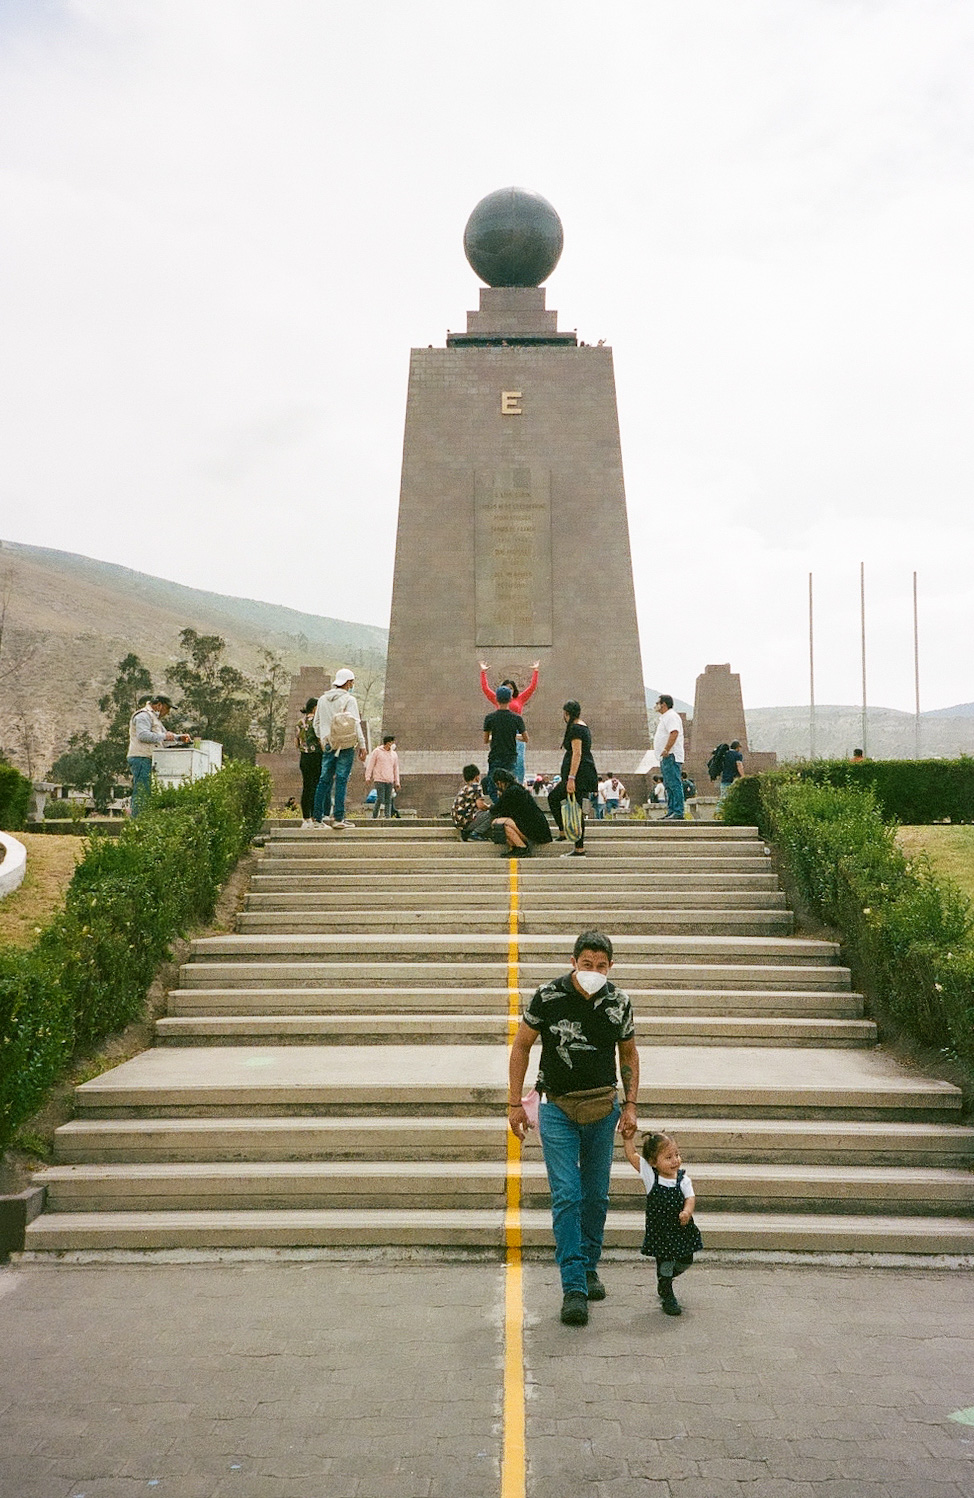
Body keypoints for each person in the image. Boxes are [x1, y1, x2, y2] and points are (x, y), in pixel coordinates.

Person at [508, 930, 639, 1327]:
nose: (594, 972)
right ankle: (573, 1287)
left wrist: (631, 1104)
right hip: (557, 1109)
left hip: (603, 1108)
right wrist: (515, 1103)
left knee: (596, 1196)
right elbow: (522, 1045)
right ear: (573, 962)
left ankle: (588, 1264)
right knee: (567, 1195)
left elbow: (628, 1052)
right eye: (587, 964)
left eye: (601, 966)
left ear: (610, 967)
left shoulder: (619, 1002)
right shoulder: (548, 997)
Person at [623, 1130, 703, 1317]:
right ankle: (667, 1292)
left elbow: (690, 1197)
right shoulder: (651, 1176)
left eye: (676, 1155)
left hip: (681, 1228)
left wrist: (687, 1212)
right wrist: (627, 1139)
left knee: (686, 1259)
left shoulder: (682, 1179)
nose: (675, 1160)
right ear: (653, 1162)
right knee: (666, 1260)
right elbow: (632, 1155)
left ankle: (664, 1277)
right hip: (661, 1231)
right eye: (668, 1157)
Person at [312, 669, 367, 829]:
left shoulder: (322, 699)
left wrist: (323, 738)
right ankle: (338, 818)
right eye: (352, 682)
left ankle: (317, 819)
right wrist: (362, 745)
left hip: (329, 743)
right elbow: (355, 723)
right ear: (348, 682)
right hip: (345, 743)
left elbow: (316, 723)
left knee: (324, 779)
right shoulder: (349, 700)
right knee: (342, 779)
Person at [548, 701, 599, 857]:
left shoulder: (576, 729)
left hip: (579, 775)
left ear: (567, 713)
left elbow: (577, 754)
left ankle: (579, 847)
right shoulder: (583, 726)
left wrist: (571, 778)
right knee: (573, 807)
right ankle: (565, 833)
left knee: (556, 799)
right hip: (583, 773)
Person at [126, 693, 190, 816]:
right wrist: (165, 736)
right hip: (141, 757)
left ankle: (142, 820)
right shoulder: (143, 716)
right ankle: (138, 822)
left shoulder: (155, 720)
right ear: (159, 705)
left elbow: (164, 738)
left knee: (147, 791)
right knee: (142, 792)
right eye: (167, 708)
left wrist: (179, 738)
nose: (168, 712)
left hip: (148, 758)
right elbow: (143, 735)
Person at [480, 662, 540, 783]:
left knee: (519, 760)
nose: (509, 690)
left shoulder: (521, 698)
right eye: (506, 688)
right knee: (499, 759)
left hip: (517, 731)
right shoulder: (497, 699)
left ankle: (518, 782)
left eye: (511, 688)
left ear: (514, 690)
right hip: (501, 730)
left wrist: (536, 671)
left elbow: (532, 688)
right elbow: (486, 689)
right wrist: (483, 672)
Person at [489, 767, 554, 856]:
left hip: (535, 831)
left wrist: (493, 802)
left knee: (498, 823)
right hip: (540, 830)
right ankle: (517, 847)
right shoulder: (517, 789)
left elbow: (496, 810)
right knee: (503, 823)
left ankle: (521, 847)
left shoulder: (510, 792)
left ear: (499, 782)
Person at [482, 686, 527, 802]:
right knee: (509, 786)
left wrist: (496, 736)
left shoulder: (489, 718)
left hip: (495, 757)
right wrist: (512, 735)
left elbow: (486, 740)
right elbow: (526, 738)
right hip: (510, 757)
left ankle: (498, 806)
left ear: (496, 699)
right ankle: (507, 809)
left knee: (492, 787)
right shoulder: (516, 718)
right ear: (510, 699)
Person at [653, 694, 686, 821]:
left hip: (671, 755)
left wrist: (666, 749)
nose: (656, 706)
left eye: (657, 703)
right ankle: (671, 810)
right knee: (668, 785)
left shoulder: (671, 716)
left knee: (674, 783)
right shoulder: (665, 718)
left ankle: (678, 811)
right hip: (666, 757)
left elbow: (674, 732)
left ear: (664, 704)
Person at [296, 697, 322, 828]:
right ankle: (314, 816)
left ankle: (306, 818)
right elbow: (320, 740)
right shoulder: (317, 722)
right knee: (316, 787)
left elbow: (297, 743)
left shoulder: (300, 722)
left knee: (306, 787)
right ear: (314, 708)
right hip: (316, 756)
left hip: (304, 757)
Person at [451, 764, 492, 841]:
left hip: (458, 821)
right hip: (466, 822)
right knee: (493, 813)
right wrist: (490, 807)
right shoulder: (476, 787)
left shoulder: (465, 788)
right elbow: (481, 805)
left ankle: (466, 833)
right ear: (477, 777)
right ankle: (475, 833)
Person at [364, 734, 401, 819]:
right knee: (380, 798)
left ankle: (387, 817)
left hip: (389, 779)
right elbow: (371, 765)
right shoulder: (377, 752)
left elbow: (396, 768)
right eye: (392, 743)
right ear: (388, 743)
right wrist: (368, 777)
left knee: (388, 799)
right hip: (379, 779)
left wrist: (397, 782)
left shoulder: (394, 754)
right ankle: (375, 815)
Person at [717, 740, 744, 805]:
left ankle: (718, 813)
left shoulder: (725, 754)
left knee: (723, 799)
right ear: (737, 747)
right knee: (734, 799)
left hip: (724, 779)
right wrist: (743, 776)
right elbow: (739, 766)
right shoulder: (738, 755)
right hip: (733, 780)